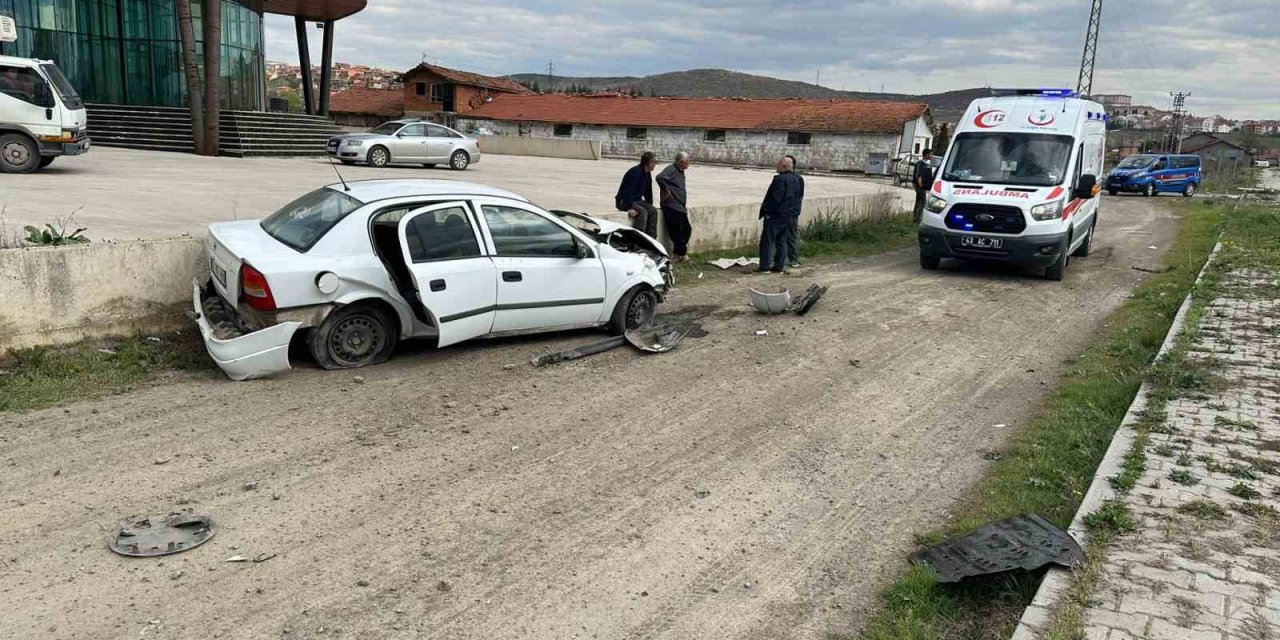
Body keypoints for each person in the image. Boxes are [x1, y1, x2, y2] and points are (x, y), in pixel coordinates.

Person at [757, 156, 803, 273]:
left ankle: (765, 266)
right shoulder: (799, 179)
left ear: (783, 166)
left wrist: (768, 212)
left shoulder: (779, 179)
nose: (776, 166)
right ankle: (779, 265)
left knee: (768, 241)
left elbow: (775, 199)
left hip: (776, 216)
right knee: (782, 241)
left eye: (778, 164)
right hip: (790, 215)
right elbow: (799, 197)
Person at [656, 152, 692, 261]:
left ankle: (678, 253)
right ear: (681, 162)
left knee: (687, 229)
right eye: (687, 161)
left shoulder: (681, 171)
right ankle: (681, 254)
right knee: (678, 231)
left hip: (680, 205)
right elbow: (659, 177)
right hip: (671, 205)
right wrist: (666, 190)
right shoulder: (671, 169)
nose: (689, 163)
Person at [614, 151, 658, 237]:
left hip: (637, 200)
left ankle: (651, 239)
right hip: (624, 201)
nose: (654, 164)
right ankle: (638, 241)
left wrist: (650, 204)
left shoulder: (647, 173)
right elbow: (628, 192)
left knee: (652, 211)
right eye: (653, 162)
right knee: (643, 212)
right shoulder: (635, 173)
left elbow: (648, 192)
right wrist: (628, 208)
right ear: (647, 163)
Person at [784, 154, 806, 267]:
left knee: (791, 236)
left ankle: (793, 259)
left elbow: (799, 196)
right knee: (785, 236)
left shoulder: (797, 179)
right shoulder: (795, 178)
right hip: (789, 212)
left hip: (791, 213)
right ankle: (786, 259)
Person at [912, 148, 935, 223]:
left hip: (922, 187)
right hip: (920, 186)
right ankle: (917, 219)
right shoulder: (920, 163)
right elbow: (918, 176)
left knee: (919, 201)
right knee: (922, 202)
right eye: (931, 154)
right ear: (927, 155)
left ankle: (916, 218)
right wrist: (920, 186)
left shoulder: (926, 164)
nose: (932, 156)